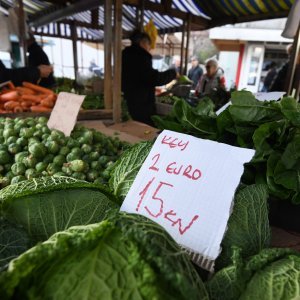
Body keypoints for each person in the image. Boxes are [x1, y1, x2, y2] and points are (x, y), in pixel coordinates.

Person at [122, 30, 177, 126]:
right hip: (141, 104)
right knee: (143, 130)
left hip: (128, 100)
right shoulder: (140, 56)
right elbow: (153, 78)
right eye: (148, 44)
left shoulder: (125, 55)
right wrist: (173, 73)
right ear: (142, 43)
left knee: (131, 127)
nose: (149, 48)